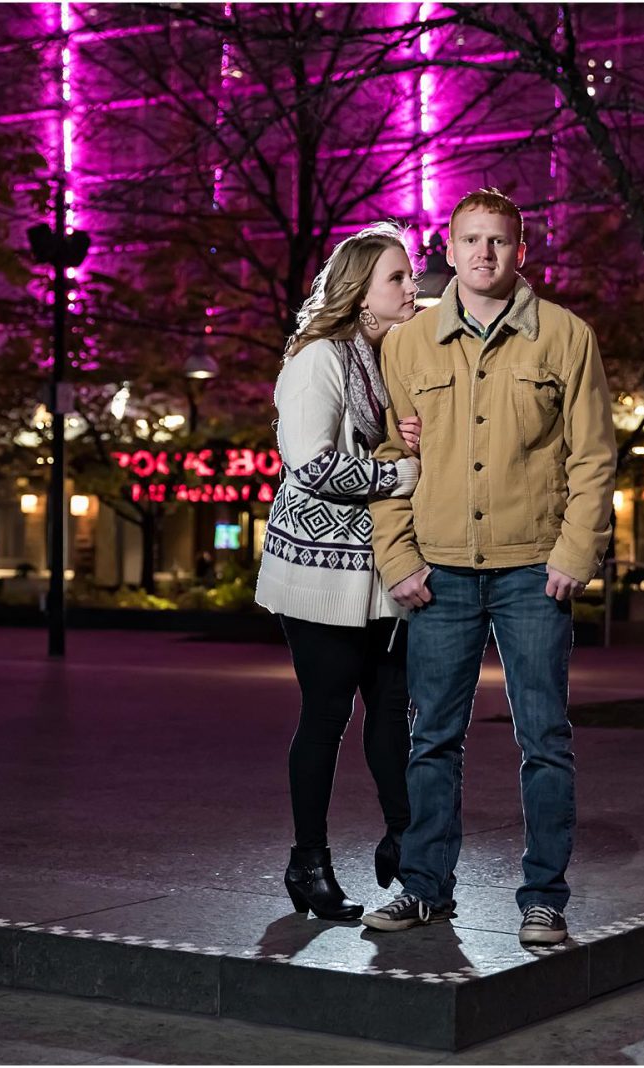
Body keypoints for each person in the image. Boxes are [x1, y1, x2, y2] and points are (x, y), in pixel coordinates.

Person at [362, 190, 617, 946]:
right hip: (437, 571)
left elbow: (595, 456)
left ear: (521, 251)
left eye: (499, 241)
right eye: (471, 240)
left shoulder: (566, 338)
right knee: (431, 737)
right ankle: (423, 889)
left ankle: (544, 899)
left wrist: (576, 551)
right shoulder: (407, 345)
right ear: (449, 247)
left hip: (533, 570)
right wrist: (397, 556)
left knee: (544, 737)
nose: (484, 254)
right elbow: (389, 458)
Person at [254, 222, 426, 921]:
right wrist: (400, 471)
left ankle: (404, 840)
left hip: (383, 573)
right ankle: (308, 862)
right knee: (325, 716)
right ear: (360, 294)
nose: (412, 286)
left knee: (392, 714)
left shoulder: (390, 359)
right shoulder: (318, 360)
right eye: (397, 278)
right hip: (319, 572)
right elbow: (313, 464)